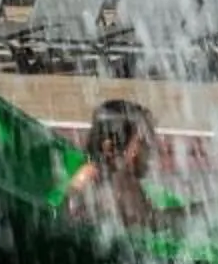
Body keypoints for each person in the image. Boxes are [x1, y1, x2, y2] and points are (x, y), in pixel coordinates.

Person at [64, 98, 160, 232]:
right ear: (110, 147)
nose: (151, 148)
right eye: (143, 141)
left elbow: (151, 220)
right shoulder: (99, 183)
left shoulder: (124, 180)